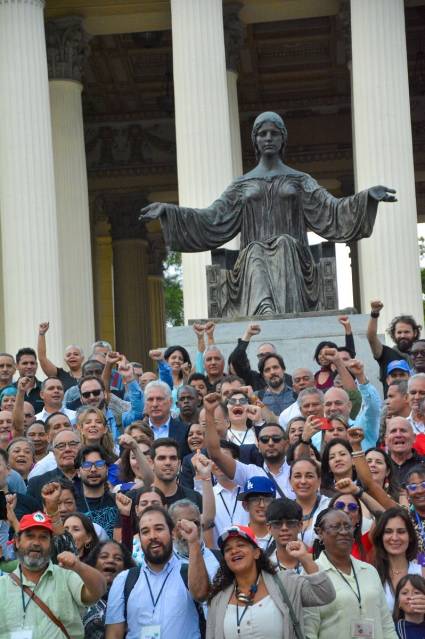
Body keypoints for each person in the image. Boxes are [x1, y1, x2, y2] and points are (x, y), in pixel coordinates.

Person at [141, 111, 395, 316]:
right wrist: (169, 212)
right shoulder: (242, 185)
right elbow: (211, 217)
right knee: (254, 251)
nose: (268, 138)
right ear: (255, 140)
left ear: (283, 138)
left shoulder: (300, 180)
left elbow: (332, 209)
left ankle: (280, 311)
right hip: (251, 259)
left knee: (283, 242)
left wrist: (366, 198)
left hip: (295, 258)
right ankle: (265, 311)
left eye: (274, 133)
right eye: (262, 134)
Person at [206, 523, 335, 639]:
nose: (234, 551)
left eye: (241, 545)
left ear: (256, 553)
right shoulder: (218, 600)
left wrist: (304, 557)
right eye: (228, 549)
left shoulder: (286, 582)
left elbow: (324, 594)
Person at [105, 505, 210, 639]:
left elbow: (201, 593)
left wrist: (193, 542)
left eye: (159, 529)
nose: (153, 536)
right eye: (145, 531)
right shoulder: (124, 580)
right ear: (140, 538)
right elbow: (113, 634)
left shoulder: (189, 572)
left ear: (172, 533)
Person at [0, 510, 106, 638]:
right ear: (17, 541)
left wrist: (79, 566)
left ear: (51, 543)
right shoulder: (2, 586)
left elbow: (98, 590)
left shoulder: (67, 577)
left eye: (43, 537)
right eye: (30, 536)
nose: (36, 542)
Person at [304, 508, 398, 639]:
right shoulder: (313, 574)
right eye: (335, 527)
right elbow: (309, 630)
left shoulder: (369, 571)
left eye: (348, 526)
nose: (343, 532)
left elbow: (386, 624)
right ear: (320, 533)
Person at [205, 392, 294, 499]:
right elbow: (215, 454)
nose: (270, 443)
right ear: (258, 446)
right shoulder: (250, 472)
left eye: (276, 439)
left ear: (287, 444)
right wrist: (209, 413)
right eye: (265, 440)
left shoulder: (297, 470)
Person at [372, 507, 424, 612]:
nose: (394, 538)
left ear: (410, 537)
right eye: (388, 531)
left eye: (401, 532)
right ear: (380, 537)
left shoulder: (422, 571)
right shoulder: (371, 574)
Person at [84, 540, 136, 639]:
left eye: (118, 558)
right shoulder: (82, 594)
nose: (111, 561)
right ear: (93, 564)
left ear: (125, 568)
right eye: (104, 556)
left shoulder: (134, 598)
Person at [367, 301, 421, 395]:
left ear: (415, 333)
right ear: (393, 334)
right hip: (393, 408)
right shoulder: (385, 354)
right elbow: (371, 337)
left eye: (406, 332)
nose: (402, 335)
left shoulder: (421, 355)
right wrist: (374, 314)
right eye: (399, 332)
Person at [75, 445, 121, 539]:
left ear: (107, 469)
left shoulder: (119, 502)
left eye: (99, 464)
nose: (93, 469)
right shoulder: (72, 504)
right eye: (86, 465)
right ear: (78, 472)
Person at [266, 497, 319, 573]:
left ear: (300, 526)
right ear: (269, 528)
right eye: (277, 523)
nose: (284, 528)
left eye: (290, 523)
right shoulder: (265, 567)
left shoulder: (317, 561)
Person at [151, 437, 202, 510]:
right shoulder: (136, 497)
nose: (168, 463)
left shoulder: (195, 498)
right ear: (152, 463)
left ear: (179, 464)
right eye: (162, 458)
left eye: (173, 458)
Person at [289, 457, 330, 547]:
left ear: (319, 481)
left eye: (309, 476)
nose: (303, 481)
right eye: (297, 476)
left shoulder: (330, 506)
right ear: (290, 481)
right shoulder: (284, 510)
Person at [144, 380, 189, 455]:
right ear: (145, 403)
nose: (155, 404)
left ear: (170, 402)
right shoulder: (136, 432)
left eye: (159, 399)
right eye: (150, 399)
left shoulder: (185, 430)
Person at [38, 321, 85, 389]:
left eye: (76, 354)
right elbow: (42, 358)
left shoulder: (92, 374)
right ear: (65, 360)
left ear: (82, 358)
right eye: (68, 355)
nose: (72, 356)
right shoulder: (60, 375)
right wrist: (41, 334)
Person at [237, 477, 275, 551]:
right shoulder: (238, 536)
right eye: (255, 499)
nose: (262, 505)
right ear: (245, 505)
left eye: (267, 500)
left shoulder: (282, 535)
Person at [393, 574, 425, 639]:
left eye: (416, 592)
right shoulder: (393, 630)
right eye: (404, 593)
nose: (410, 596)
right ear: (398, 602)